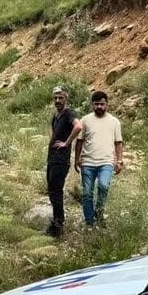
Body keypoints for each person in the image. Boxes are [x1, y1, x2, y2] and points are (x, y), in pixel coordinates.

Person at [74, 90, 124, 227]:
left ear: (107, 104)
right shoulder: (85, 120)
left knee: (103, 186)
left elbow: (118, 143)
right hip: (88, 162)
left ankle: (100, 214)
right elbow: (79, 141)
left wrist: (119, 161)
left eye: (102, 104)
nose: (99, 107)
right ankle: (90, 221)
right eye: (96, 104)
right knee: (87, 193)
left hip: (106, 162)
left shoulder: (114, 122)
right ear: (92, 105)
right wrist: (76, 159)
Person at [46, 86, 83, 237]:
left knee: (56, 191)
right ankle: (56, 221)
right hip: (52, 157)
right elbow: (52, 129)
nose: (57, 101)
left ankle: (58, 224)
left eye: (60, 98)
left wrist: (66, 143)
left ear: (66, 99)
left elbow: (78, 126)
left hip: (61, 159)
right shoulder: (56, 115)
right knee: (52, 189)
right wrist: (53, 139)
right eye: (55, 98)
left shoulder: (69, 113)